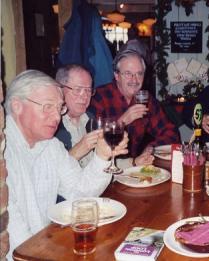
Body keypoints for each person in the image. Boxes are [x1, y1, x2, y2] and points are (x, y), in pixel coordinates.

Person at [4, 70, 129, 258]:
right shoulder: (4, 153)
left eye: (59, 108)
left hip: (47, 245)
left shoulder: (51, 146)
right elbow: (14, 233)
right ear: (17, 106)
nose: (56, 117)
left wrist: (102, 156)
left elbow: (80, 191)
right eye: (48, 107)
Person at [55, 64, 153, 167]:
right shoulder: (52, 126)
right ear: (60, 89)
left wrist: (134, 162)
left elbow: (102, 164)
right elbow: (48, 176)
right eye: (78, 90)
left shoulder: (91, 120)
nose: (85, 96)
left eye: (88, 90)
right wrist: (77, 151)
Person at [89, 49, 180, 157]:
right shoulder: (100, 97)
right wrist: (122, 122)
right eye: (128, 73)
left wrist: (152, 148)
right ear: (117, 76)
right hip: (105, 167)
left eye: (139, 74)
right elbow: (93, 142)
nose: (135, 80)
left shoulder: (146, 100)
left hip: (133, 166)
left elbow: (171, 133)